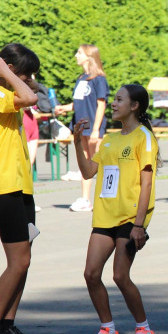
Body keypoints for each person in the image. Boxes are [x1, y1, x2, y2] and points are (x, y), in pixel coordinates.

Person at [75, 84, 160, 334]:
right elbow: (89, 172)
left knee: (120, 276)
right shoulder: (110, 138)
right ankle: (107, 329)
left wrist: (138, 224)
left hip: (129, 218)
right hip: (105, 216)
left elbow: (146, 184)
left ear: (134, 106)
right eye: (114, 99)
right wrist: (78, 142)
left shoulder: (143, 137)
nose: (113, 103)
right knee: (90, 273)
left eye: (119, 99)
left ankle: (145, 331)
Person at [0, 45, 42, 334]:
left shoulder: (8, 95)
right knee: (18, 261)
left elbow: (32, 93)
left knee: (24, 261)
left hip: (21, 187)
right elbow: (31, 97)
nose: (31, 79)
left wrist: (18, 77)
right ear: (11, 70)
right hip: (4, 188)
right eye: (25, 73)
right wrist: (3, 73)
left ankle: (7, 324)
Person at [58, 45, 109, 212]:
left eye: (79, 53)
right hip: (81, 127)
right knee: (85, 164)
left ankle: (105, 198)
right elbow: (79, 102)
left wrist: (96, 129)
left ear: (89, 56)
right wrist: (64, 108)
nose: (75, 55)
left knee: (99, 162)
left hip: (94, 127)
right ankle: (85, 199)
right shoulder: (81, 78)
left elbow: (101, 104)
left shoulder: (99, 79)